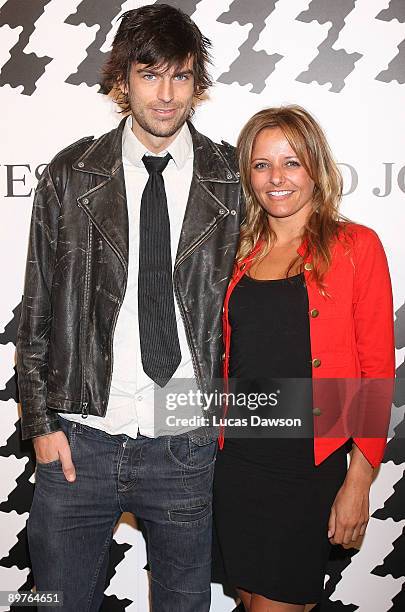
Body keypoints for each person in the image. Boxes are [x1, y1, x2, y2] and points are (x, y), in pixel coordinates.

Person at [16, 5, 243, 611]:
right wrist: (40, 425)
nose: (166, 95)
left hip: (185, 438)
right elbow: (36, 306)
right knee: (56, 603)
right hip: (80, 438)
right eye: (150, 74)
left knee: (184, 605)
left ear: (198, 84)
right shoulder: (71, 173)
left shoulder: (230, 178)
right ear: (122, 80)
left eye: (181, 76)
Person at [212, 105, 394, 612]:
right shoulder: (238, 254)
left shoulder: (356, 247)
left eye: (291, 163)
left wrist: (359, 480)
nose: (277, 178)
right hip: (237, 463)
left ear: (316, 166)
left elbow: (377, 372)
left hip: (306, 468)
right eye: (261, 164)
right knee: (250, 600)